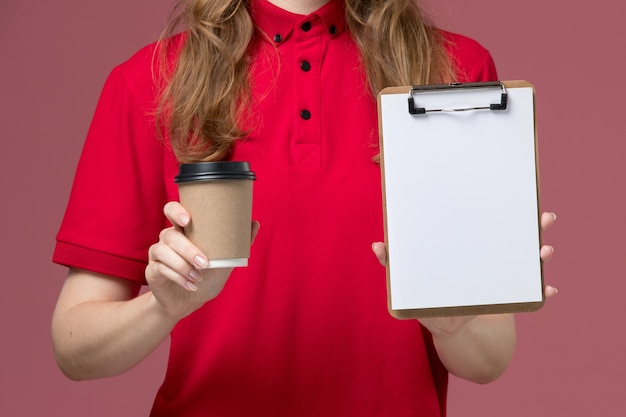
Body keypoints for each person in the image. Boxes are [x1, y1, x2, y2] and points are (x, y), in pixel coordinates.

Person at [51, 0, 558, 415]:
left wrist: (454, 324)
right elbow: (75, 347)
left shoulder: (455, 73)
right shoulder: (149, 80)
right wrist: (162, 308)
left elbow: (490, 359)